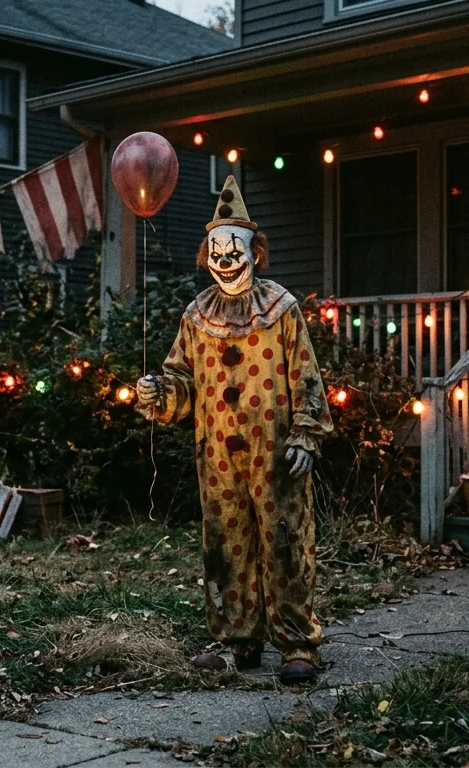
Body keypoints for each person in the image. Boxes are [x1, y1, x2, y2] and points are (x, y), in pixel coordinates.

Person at [135, 175, 333, 684]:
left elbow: (307, 377)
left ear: (254, 251)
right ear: (207, 254)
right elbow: (182, 378)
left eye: (235, 250)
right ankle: (236, 640)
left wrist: (307, 435)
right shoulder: (196, 315)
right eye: (217, 252)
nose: (226, 261)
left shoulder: (282, 309)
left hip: (275, 451)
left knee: (285, 539)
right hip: (218, 451)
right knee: (226, 543)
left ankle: (297, 644)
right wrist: (159, 392)